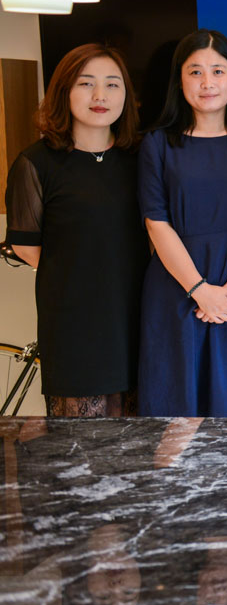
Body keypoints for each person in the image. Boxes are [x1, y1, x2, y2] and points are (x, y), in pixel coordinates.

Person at [138, 30, 227, 417]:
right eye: (195, 72)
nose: (207, 82)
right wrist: (199, 290)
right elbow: (156, 223)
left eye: (218, 71)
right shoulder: (157, 144)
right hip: (174, 289)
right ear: (179, 80)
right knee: (172, 411)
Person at [5, 43, 149, 417]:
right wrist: (82, 273)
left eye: (112, 84)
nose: (100, 96)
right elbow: (26, 245)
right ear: (64, 92)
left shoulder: (143, 159)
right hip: (73, 321)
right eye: (86, 84)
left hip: (138, 314)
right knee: (81, 441)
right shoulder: (35, 163)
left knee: (139, 435)